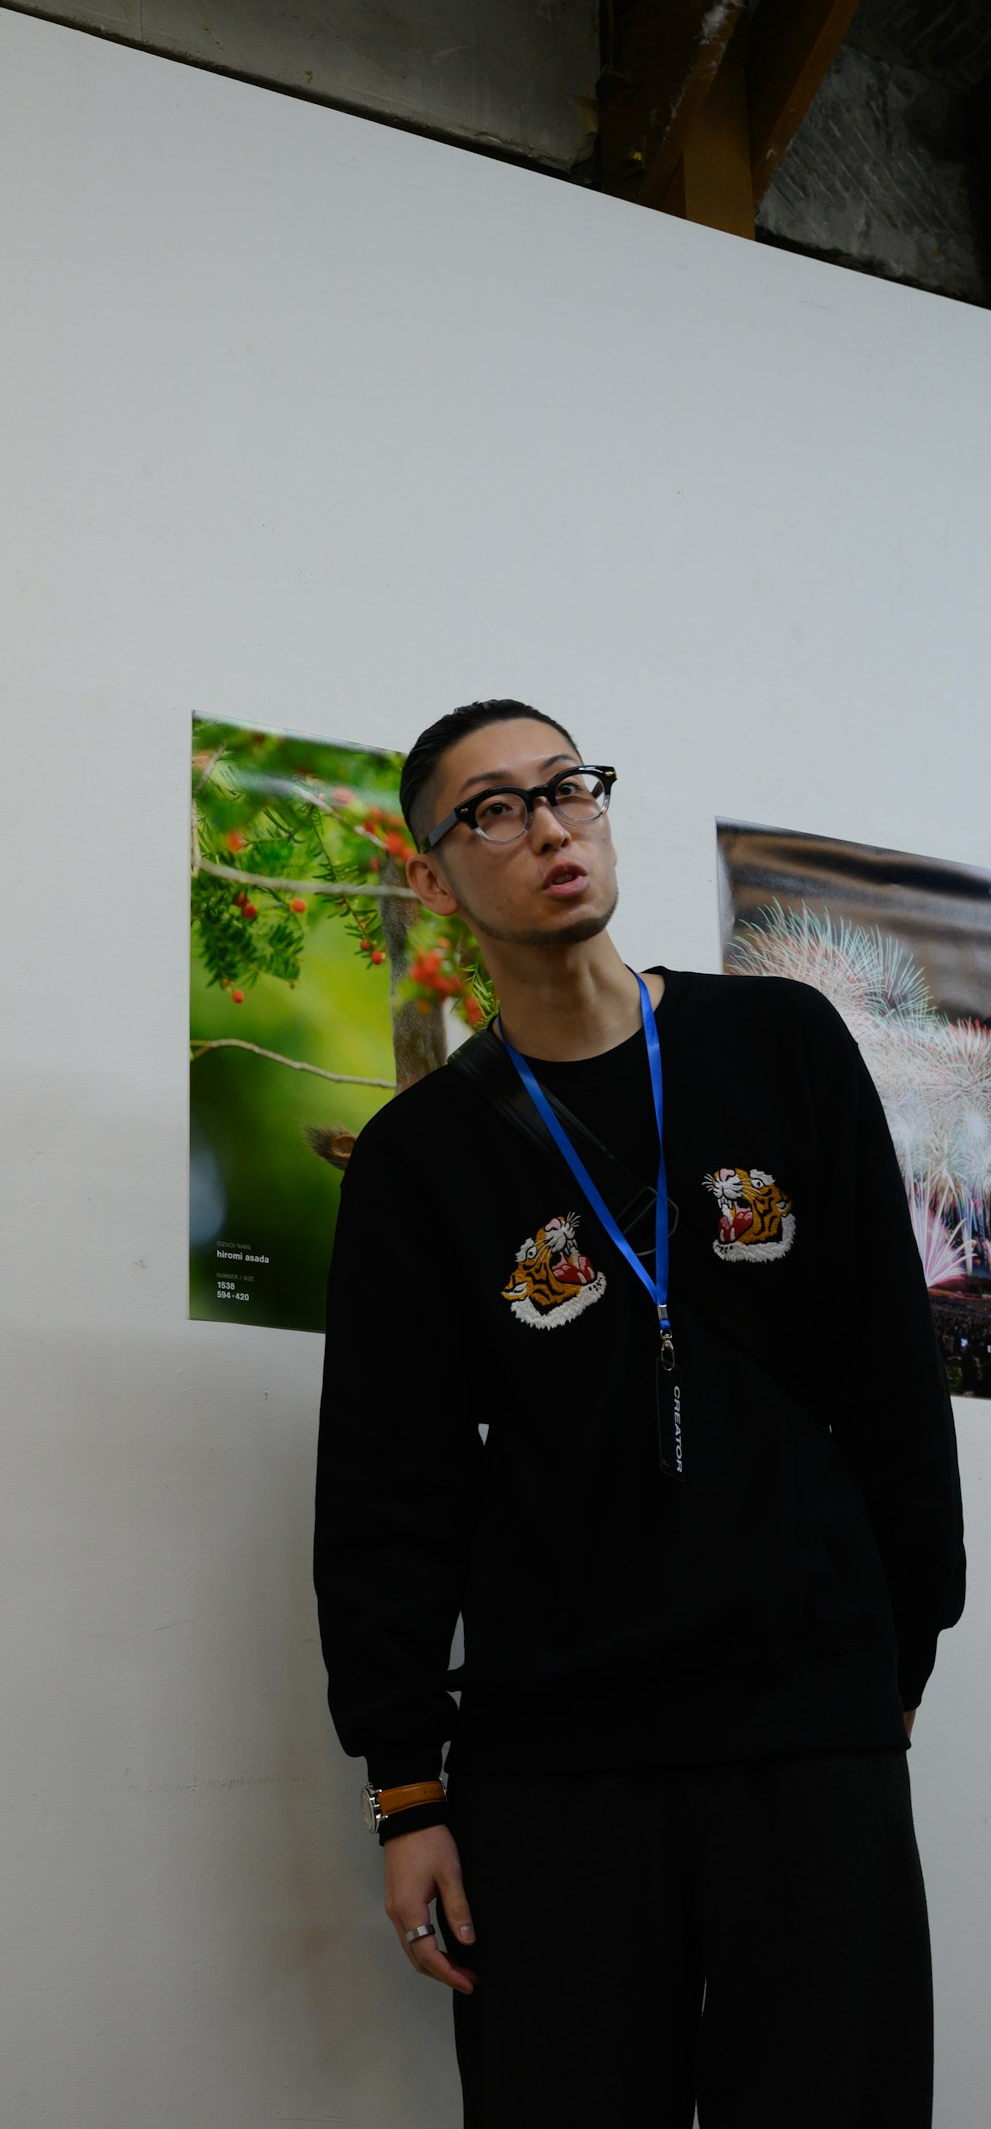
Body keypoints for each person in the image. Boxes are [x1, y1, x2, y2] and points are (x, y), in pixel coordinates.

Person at [313, 699, 965, 2129]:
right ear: (431, 874)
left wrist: (895, 1636)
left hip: (808, 1724)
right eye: (493, 807)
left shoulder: (777, 1042)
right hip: (560, 1754)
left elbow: (887, 1372)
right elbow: (387, 1483)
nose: (547, 825)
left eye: (568, 788)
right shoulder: (424, 1159)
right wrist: (406, 1788)